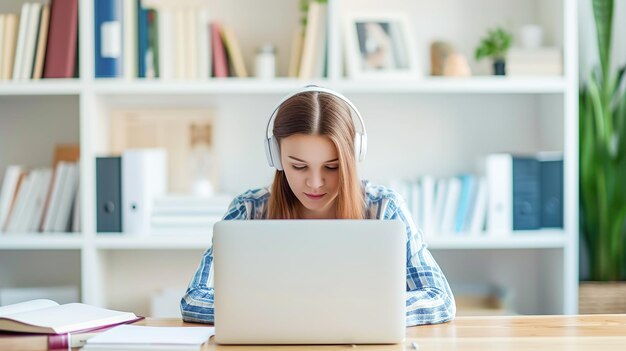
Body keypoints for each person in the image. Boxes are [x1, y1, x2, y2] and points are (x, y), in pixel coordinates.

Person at [180, 86, 456, 326]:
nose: (315, 183)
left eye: (332, 167)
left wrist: (334, 313)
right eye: (298, 166)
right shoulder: (249, 210)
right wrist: (321, 312)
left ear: (353, 158)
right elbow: (194, 299)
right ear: (275, 157)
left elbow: (440, 298)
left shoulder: (384, 208)